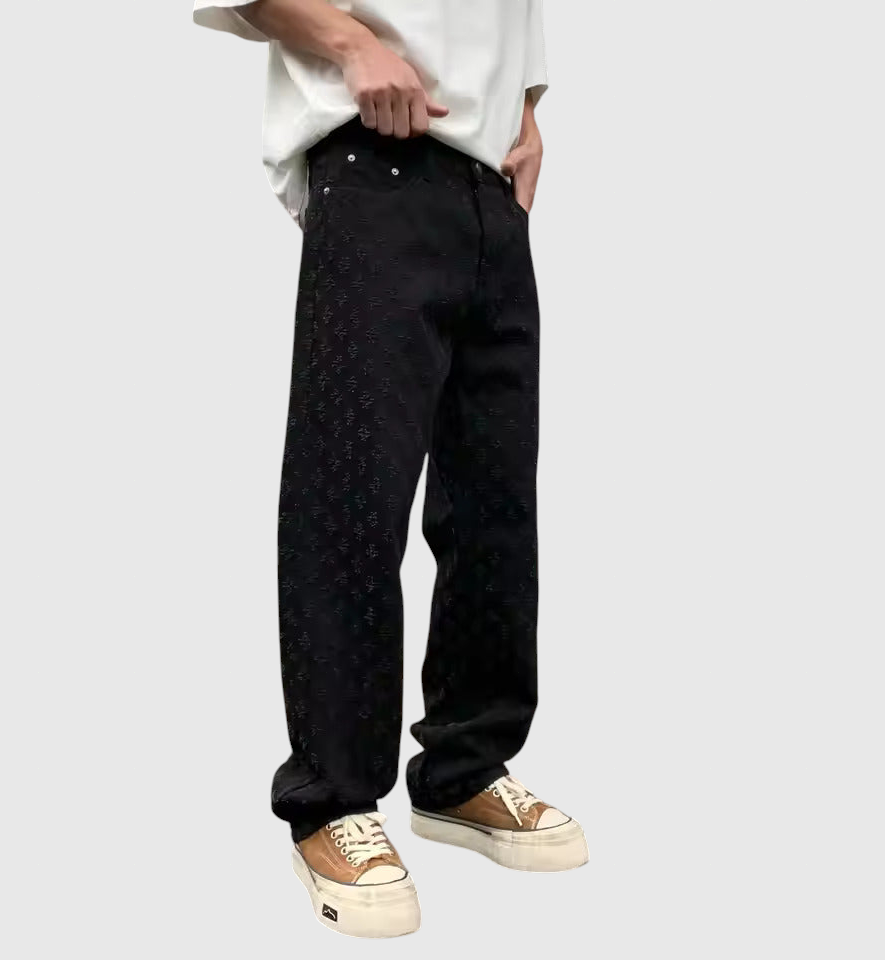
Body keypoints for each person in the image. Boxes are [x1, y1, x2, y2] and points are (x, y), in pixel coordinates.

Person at [192, 0, 588, 937]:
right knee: (352, 496)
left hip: (492, 187)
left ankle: (463, 770)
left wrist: (527, 109)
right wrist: (352, 41)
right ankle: (332, 800)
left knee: (494, 507)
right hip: (377, 162)